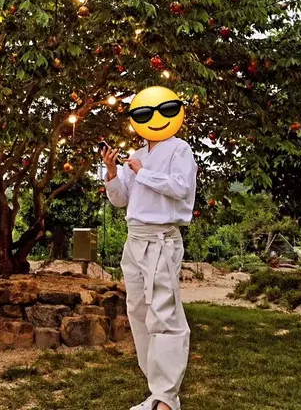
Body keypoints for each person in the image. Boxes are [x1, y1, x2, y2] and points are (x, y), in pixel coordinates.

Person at [102, 86, 197, 410]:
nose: (153, 119)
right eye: (143, 114)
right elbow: (121, 201)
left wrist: (144, 173)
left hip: (160, 238)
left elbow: (181, 188)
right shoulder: (137, 156)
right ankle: (157, 392)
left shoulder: (179, 149)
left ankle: (167, 400)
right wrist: (113, 172)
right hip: (135, 239)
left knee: (164, 316)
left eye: (162, 111)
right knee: (139, 314)